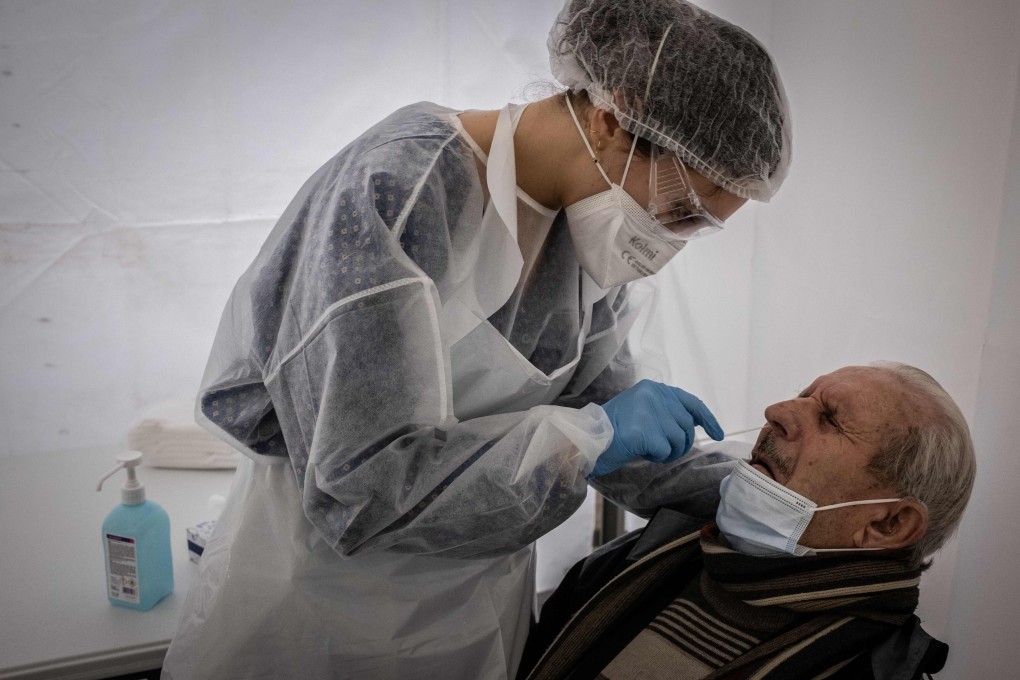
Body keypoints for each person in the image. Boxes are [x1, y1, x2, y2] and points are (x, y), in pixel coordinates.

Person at [161, 1, 791, 678]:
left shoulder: (587, 238)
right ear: (614, 117)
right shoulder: (402, 188)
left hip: (474, 616)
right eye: (680, 211)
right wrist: (587, 437)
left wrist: (767, 502)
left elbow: (614, 440)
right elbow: (361, 490)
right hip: (313, 612)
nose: (671, 241)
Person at [519, 362, 976, 680]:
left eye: (830, 419)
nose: (777, 412)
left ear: (888, 525)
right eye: (802, 396)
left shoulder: (862, 669)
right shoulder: (642, 558)